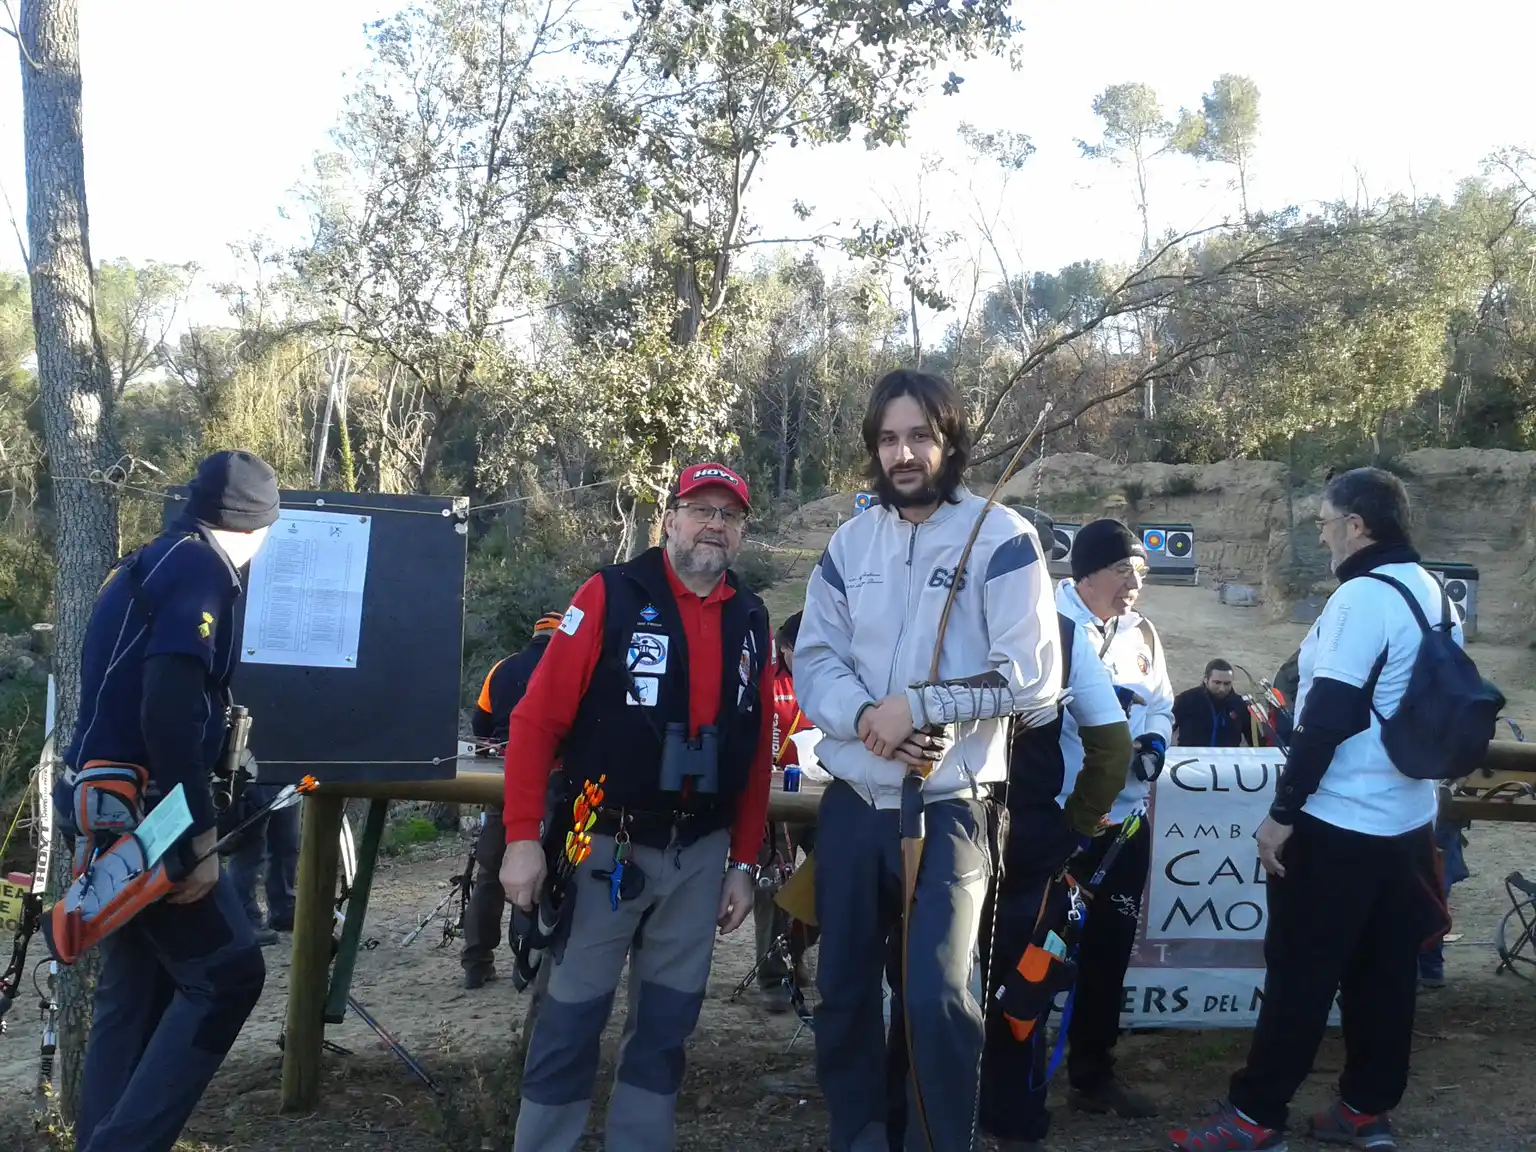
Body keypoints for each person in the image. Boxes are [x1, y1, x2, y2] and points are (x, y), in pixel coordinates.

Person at [795, 368, 1064, 1152]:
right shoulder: (851, 542)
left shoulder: (1003, 536)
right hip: (852, 804)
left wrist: (920, 706)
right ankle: (859, 1134)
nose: (903, 453)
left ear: (949, 440)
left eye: (919, 436)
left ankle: (936, 1140)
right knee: (842, 991)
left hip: (951, 807)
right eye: (888, 438)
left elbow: (1033, 676)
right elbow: (815, 660)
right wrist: (868, 721)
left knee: (938, 995)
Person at [1170, 467, 1456, 1151]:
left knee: (1300, 976)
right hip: (1409, 820)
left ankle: (1255, 1117)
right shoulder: (1433, 589)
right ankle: (1364, 1110)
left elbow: (1326, 716)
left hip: (1339, 824)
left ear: (1358, 526)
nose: (1322, 531)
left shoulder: (1361, 597)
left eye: (1327, 520)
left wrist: (1283, 812)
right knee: (1385, 977)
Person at [498, 461, 774, 1152]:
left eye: (729, 514)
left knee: (667, 1026)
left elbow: (754, 751)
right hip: (605, 845)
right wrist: (522, 837)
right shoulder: (610, 593)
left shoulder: (750, 615)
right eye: (700, 509)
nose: (715, 523)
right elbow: (535, 722)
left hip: (702, 852)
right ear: (670, 519)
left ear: (741, 531)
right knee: (571, 1017)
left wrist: (745, 860)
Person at [62, 449, 279, 1152]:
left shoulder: (150, 561)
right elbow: (170, 710)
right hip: (149, 810)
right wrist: (196, 835)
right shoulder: (199, 570)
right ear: (256, 524)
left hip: (106, 805)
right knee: (229, 976)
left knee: (134, 993)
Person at [1053, 518, 1174, 1119]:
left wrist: (1152, 744)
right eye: (1125, 570)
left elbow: (1161, 702)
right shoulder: (1047, 623)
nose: (1135, 583)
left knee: (1109, 951)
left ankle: (1092, 1073)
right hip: (1058, 822)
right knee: (1035, 948)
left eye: (1141, 572)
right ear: (1088, 573)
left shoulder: (1142, 631)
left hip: (1124, 822)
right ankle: (1010, 1069)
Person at [460, 610, 562, 989]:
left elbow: (480, 724)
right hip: (556, 782)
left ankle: (477, 960)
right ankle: (542, 964)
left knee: (490, 872)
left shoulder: (502, 668)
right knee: (556, 875)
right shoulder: (568, 662)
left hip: (505, 782)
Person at [753, 609, 818, 1011]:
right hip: (772, 795)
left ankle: (795, 948)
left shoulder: (831, 680)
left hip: (821, 795)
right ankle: (772, 975)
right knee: (771, 882)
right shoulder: (767, 679)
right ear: (785, 648)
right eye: (802, 650)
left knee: (838, 873)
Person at [224, 774, 298, 947]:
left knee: (286, 845)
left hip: (288, 772)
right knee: (249, 851)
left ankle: (283, 911)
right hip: (251, 772)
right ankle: (244, 919)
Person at [1173, 658, 1254, 747]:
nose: (1222, 689)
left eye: (1227, 684)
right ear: (1205, 679)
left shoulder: (1240, 705)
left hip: (1227, 759)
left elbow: (1254, 740)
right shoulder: (1186, 700)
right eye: (1217, 683)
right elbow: (1165, 727)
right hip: (1191, 758)